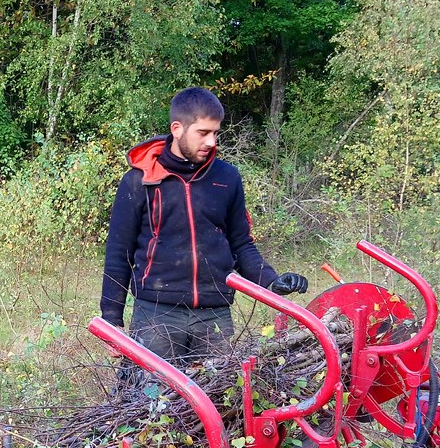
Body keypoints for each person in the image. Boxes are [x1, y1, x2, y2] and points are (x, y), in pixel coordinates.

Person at [101, 87, 307, 365]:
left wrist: (271, 281)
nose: (211, 141)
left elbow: (241, 244)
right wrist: (111, 319)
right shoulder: (139, 181)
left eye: (216, 133)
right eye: (203, 132)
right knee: (150, 401)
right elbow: (118, 253)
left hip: (215, 315)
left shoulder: (227, 178)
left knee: (219, 404)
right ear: (177, 128)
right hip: (156, 315)